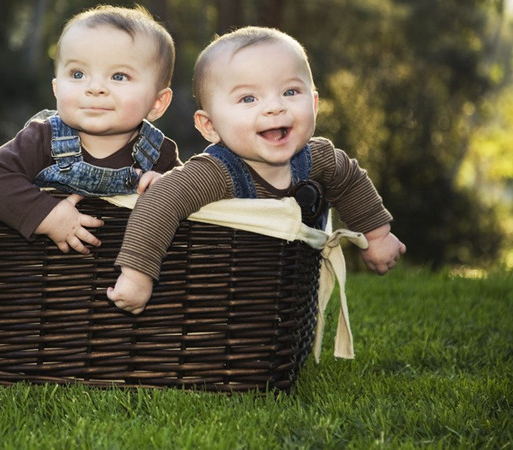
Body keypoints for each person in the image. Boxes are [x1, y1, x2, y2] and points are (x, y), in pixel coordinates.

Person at [107, 26, 407, 314]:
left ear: (314, 105)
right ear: (209, 126)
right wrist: (137, 274)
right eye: (248, 98)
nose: (274, 107)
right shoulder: (214, 172)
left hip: (286, 297)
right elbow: (160, 200)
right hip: (220, 291)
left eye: (290, 92)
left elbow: (350, 180)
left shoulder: (320, 158)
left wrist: (377, 236)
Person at [0, 5, 181, 255]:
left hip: (118, 274)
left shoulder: (159, 154)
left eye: (118, 76)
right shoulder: (44, 137)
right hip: (38, 272)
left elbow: (197, 201)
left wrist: (170, 188)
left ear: (157, 103)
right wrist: (48, 215)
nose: (95, 87)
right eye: (78, 73)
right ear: (56, 89)